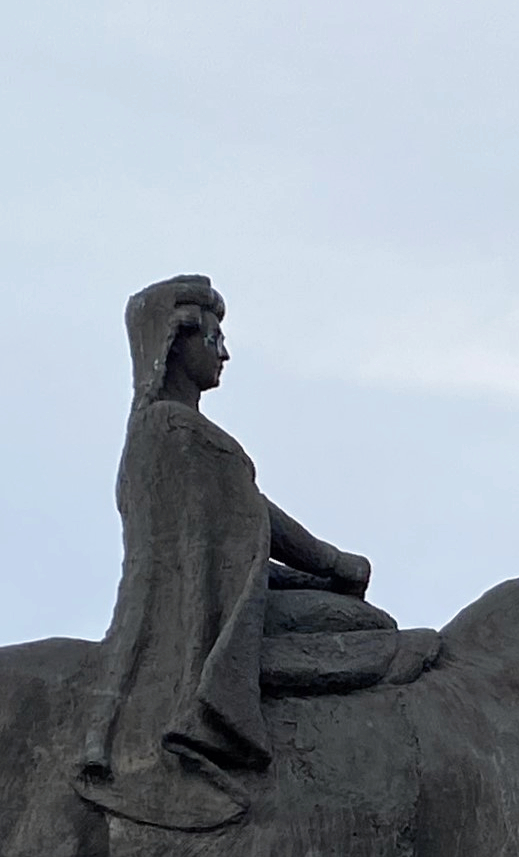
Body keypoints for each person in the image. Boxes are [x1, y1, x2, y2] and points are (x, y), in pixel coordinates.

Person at [78, 275, 371, 828]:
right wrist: (334, 565)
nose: (225, 352)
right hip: (198, 620)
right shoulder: (177, 429)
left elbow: (236, 540)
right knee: (360, 623)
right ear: (175, 340)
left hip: (216, 597)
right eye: (214, 337)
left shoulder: (161, 432)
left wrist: (317, 575)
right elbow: (259, 519)